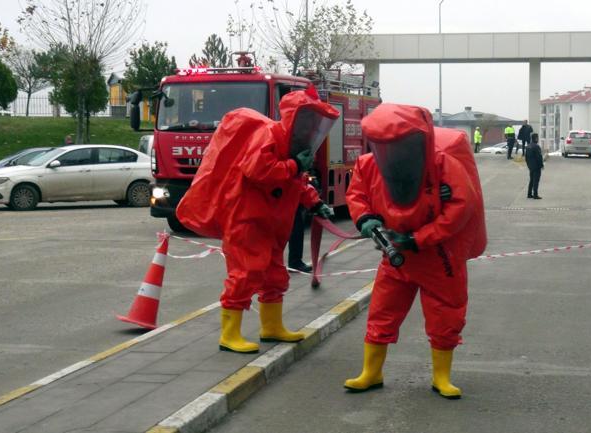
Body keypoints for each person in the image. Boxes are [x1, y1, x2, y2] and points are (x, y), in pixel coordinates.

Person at [176, 88, 338, 353]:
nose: (311, 127)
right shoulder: (270, 136)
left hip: (272, 223)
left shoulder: (295, 145)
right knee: (246, 273)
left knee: (274, 275)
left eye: (314, 121)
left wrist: (315, 202)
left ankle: (271, 327)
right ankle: (229, 335)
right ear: (294, 117)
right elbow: (257, 170)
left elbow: (295, 183)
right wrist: (295, 167)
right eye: (307, 119)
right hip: (247, 218)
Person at [344, 103, 486, 400]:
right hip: (396, 256)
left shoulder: (444, 165)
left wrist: (419, 238)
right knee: (382, 312)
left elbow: (461, 209)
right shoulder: (369, 165)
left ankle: (441, 378)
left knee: (445, 316)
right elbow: (356, 195)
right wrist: (366, 219)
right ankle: (371, 372)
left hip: (438, 257)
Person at [526, 133, 544, 199]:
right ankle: (535, 194)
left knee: (531, 180)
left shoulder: (528, 146)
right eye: (537, 137)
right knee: (536, 181)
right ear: (536, 138)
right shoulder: (536, 147)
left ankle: (529, 194)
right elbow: (539, 157)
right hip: (536, 166)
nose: (538, 139)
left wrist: (528, 165)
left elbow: (526, 157)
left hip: (531, 166)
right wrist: (541, 165)